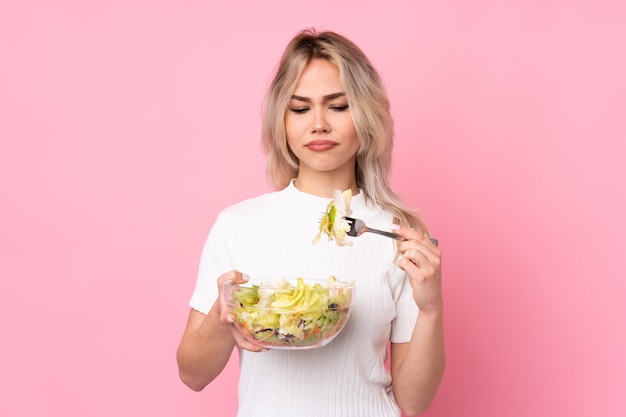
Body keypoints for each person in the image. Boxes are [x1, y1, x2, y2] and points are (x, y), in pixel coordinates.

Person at [176, 28, 445, 417]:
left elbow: (413, 402)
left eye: (337, 106)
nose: (318, 124)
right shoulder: (239, 225)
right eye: (300, 109)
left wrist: (432, 307)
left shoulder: (396, 234)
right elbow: (192, 374)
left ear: (365, 116)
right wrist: (225, 314)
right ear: (281, 122)